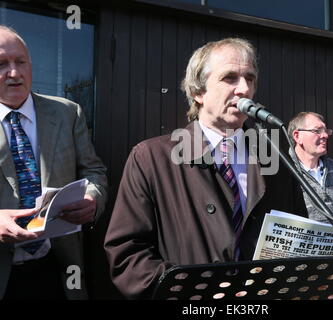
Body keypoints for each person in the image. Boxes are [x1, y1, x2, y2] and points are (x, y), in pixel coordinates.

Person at [104, 38, 306, 299]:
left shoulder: (275, 158)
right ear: (198, 91)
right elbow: (128, 255)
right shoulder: (151, 158)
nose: (243, 88)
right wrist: (196, 290)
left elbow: (296, 235)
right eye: (230, 78)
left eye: (250, 78)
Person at [0, 26, 108, 299]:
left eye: (20, 62)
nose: (14, 73)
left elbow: (93, 171)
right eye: (1, 64)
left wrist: (92, 199)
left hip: (58, 268)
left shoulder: (67, 112)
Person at [288, 112, 333, 225]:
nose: (325, 135)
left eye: (325, 131)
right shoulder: (286, 171)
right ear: (297, 136)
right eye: (317, 131)